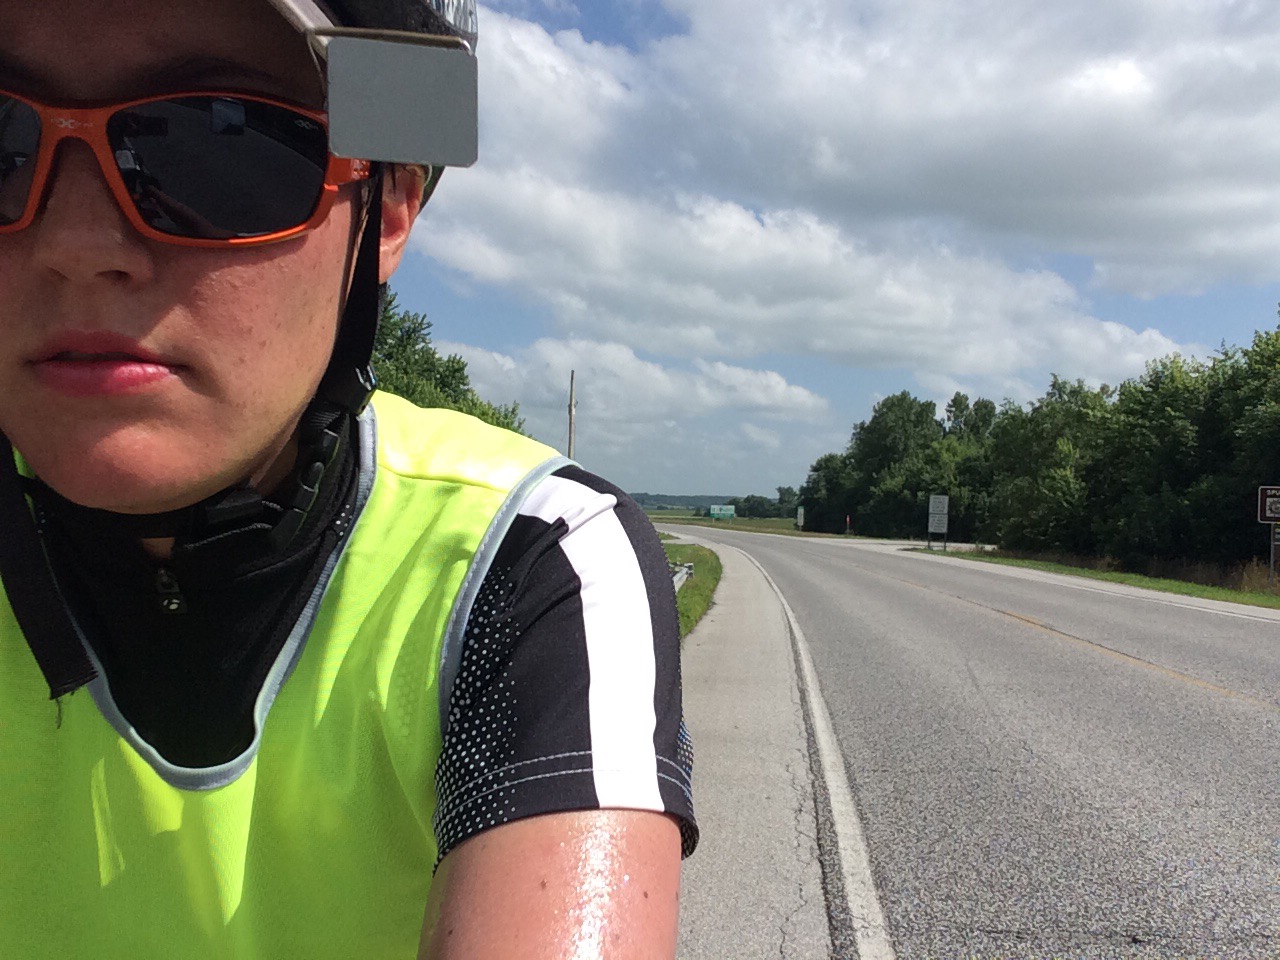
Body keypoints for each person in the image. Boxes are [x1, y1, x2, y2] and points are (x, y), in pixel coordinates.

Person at [0, 1, 697, 957]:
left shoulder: (531, 556)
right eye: (3, 141)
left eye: (215, 144)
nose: (76, 245)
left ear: (387, 206)